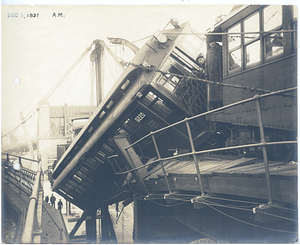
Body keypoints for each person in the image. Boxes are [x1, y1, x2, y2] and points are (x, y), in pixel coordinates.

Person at [205, 35, 223, 110]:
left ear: (215, 41)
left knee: (220, 92)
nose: (211, 44)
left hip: (219, 75)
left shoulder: (221, 49)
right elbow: (206, 65)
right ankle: (216, 107)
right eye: (210, 43)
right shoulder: (208, 53)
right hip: (211, 77)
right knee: (213, 94)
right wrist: (206, 76)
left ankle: (221, 106)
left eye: (212, 42)